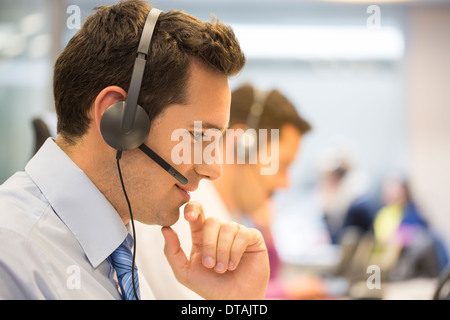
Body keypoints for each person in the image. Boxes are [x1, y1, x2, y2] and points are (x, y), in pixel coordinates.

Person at [0, 0, 270, 300]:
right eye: (199, 136)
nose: (214, 169)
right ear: (118, 118)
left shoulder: (122, 247)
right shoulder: (11, 257)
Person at [136, 83, 326, 299]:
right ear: (241, 144)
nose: (286, 184)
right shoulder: (185, 215)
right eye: (282, 165)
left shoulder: (226, 217)